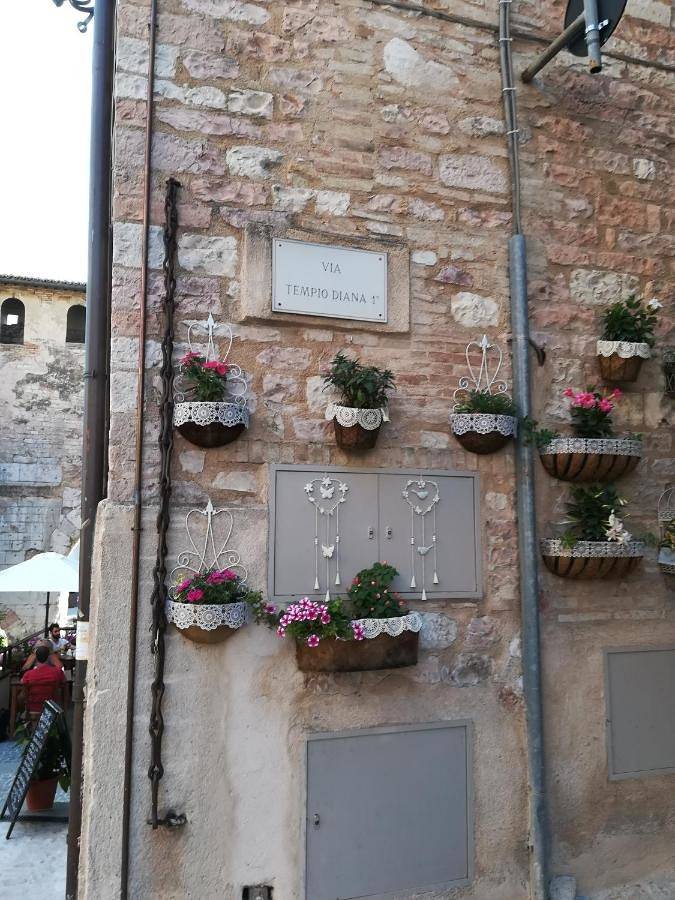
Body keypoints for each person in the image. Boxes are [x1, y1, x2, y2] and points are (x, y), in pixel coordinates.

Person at [20, 644, 66, 714]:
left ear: (36, 658)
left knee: (18, 697)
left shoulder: (28, 675)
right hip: (51, 707)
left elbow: (23, 693)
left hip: (33, 707)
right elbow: (64, 681)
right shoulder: (57, 672)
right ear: (48, 657)